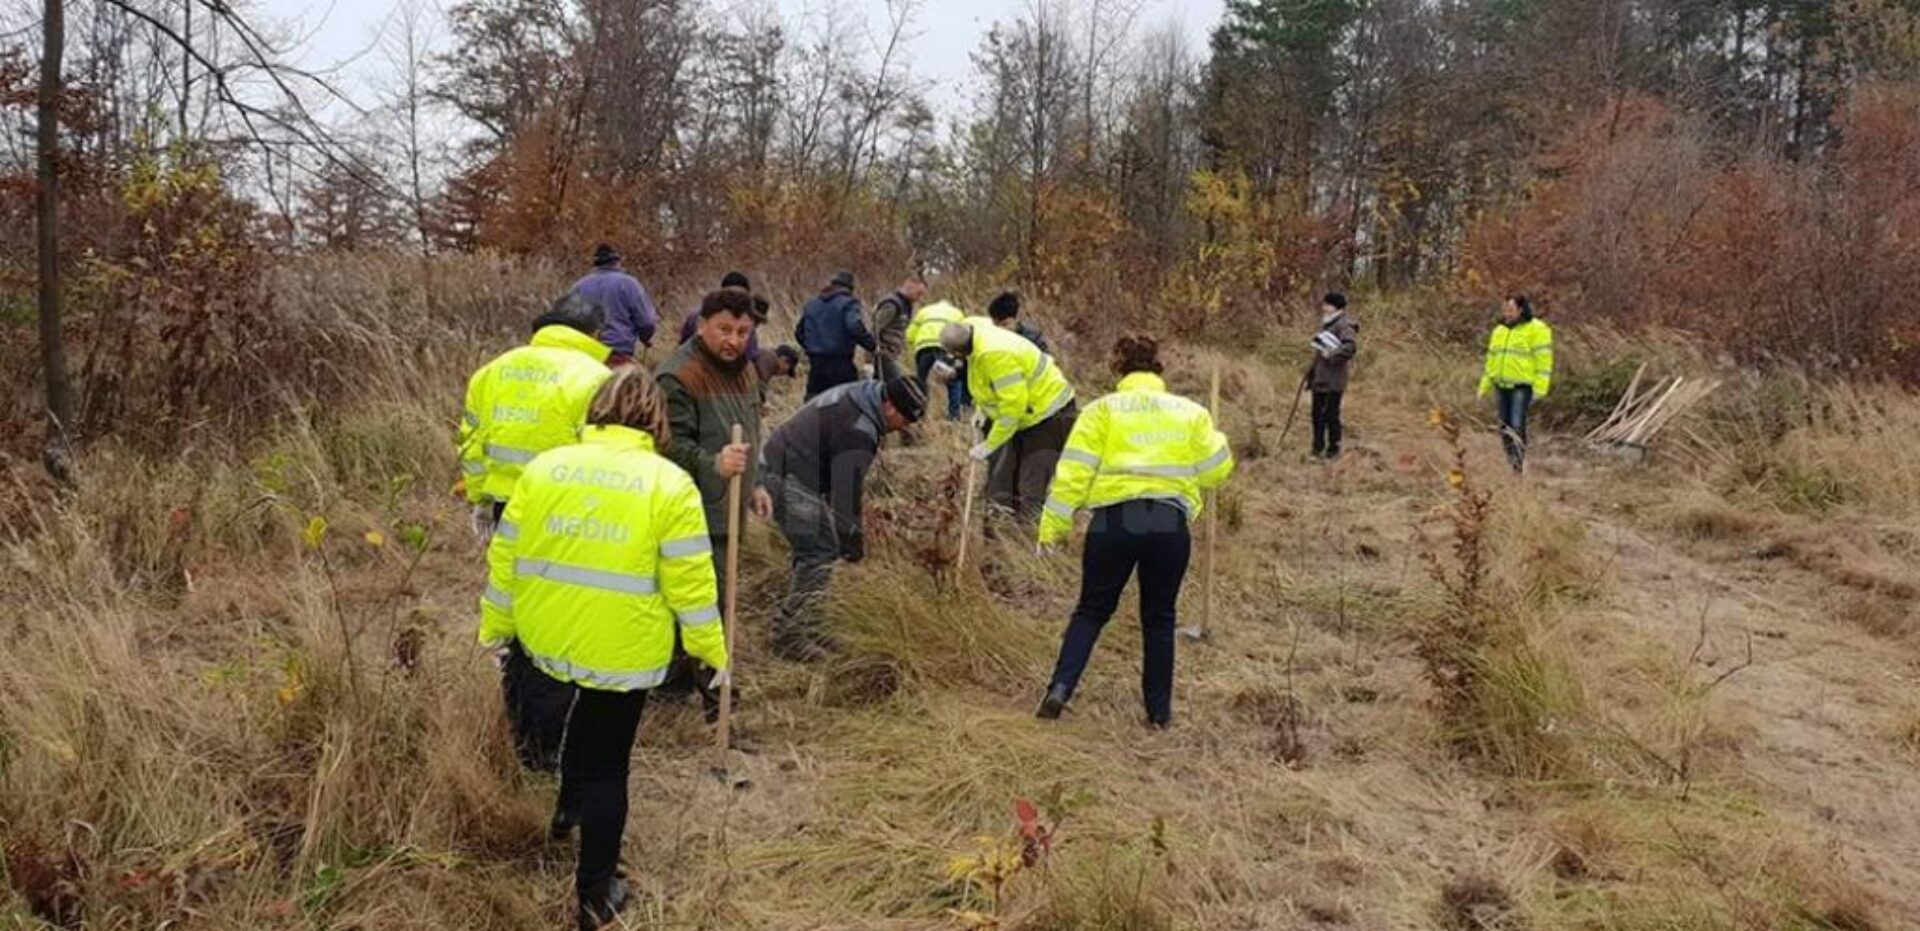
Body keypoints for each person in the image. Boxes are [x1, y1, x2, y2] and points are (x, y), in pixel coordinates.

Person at [476, 367, 729, 931]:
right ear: (656, 419)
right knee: (608, 765)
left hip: (548, 636)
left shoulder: (542, 470)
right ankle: (596, 893)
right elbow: (692, 588)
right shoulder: (670, 486)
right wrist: (711, 656)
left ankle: (567, 809)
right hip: (624, 649)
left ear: (594, 410)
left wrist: (497, 627)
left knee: (578, 729)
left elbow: (505, 559)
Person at [1034, 335, 1234, 728]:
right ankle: (1158, 714)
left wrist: (1052, 528)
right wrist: (1217, 439)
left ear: (1118, 370)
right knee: (1159, 618)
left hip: (1115, 521)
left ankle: (1059, 688)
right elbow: (1216, 470)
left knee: (1091, 610)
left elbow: (1073, 474)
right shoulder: (1190, 412)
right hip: (1167, 523)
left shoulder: (1100, 411)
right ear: (1158, 369)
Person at [458, 294, 613, 772]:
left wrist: (481, 500)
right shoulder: (594, 379)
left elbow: (472, 444)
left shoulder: (492, 372)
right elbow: (604, 460)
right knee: (559, 624)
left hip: (508, 511)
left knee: (516, 616)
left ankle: (519, 731)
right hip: (567, 519)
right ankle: (548, 746)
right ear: (593, 334)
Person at [655, 289, 771, 709]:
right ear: (702, 325)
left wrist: (756, 482)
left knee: (706, 600)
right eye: (724, 330)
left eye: (743, 332)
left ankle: (671, 684)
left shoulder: (746, 370)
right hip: (693, 512)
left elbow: (750, 430)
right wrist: (714, 465)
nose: (734, 340)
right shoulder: (678, 377)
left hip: (731, 505)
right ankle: (716, 697)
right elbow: (669, 447)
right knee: (708, 603)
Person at [759, 376, 928, 659]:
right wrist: (852, 544)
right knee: (819, 551)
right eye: (905, 419)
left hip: (787, 464)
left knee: (817, 549)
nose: (904, 427)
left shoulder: (862, 394)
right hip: (787, 476)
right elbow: (846, 495)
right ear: (889, 405)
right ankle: (790, 635)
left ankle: (810, 625)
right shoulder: (859, 430)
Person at [940, 316, 1077, 523]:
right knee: (1008, 474)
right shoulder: (972, 328)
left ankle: (1029, 535)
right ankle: (1005, 527)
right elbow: (987, 383)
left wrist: (989, 444)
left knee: (1031, 481)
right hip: (1030, 413)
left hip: (1051, 413)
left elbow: (1012, 410)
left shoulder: (996, 356)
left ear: (962, 351)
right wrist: (982, 409)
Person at [1477, 294, 1554, 473]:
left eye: (1511, 309)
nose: (1507, 313)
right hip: (1501, 385)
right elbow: (1492, 361)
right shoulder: (1499, 331)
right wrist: (1484, 385)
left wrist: (1540, 389)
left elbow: (1544, 362)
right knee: (1504, 427)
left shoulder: (1537, 329)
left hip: (1522, 386)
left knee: (1517, 425)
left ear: (1521, 309)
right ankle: (1510, 461)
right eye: (1505, 309)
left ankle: (1517, 466)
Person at [569, 243, 660, 366]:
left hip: (586, 356)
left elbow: (569, 322)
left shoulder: (578, 286)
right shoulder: (629, 284)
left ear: (595, 264)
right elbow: (647, 322)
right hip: (618, 355)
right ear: (617, 262)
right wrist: (645, 338)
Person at [795, 270, 876, 399]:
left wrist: (811, 347)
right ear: (850, 288)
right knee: (847, 400)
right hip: (840, 362)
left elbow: (799, 333)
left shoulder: (812, 304)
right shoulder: (849, 303)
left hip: (816, 364)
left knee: (814, 402)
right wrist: (871, 345)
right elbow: (854, 327)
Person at [1308, 292, 1359, 460]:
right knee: (1317, 415)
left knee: (1330, 416)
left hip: (1334, 380)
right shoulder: (1327, 324)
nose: (1324, 308)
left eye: (1327, 305)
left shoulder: (1344, 325)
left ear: (1336, 307)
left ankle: (1333, 450)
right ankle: (1317, 448)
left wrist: (1332, 354)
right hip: (1320, 379)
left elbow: (1350, 347)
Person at [678, 271, 764, 363]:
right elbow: (751, 358)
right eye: (724, 329)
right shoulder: (697, 316)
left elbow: (682, 347)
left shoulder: (745, 322)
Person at [907, 299, 969, 420]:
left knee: (920, 381)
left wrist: (915, 343)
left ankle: (919, 414)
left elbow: (910, 334)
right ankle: (954, 415)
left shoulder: (924, 311)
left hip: (924, 346)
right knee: (953, 381)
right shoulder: (957, 312)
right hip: (946, 345)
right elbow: (962, 335)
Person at [867, 273, 929, 380]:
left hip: (892, 354)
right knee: (899, 383)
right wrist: (868, 359)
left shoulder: (906, 305)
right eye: (918, 294)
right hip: (883, 354)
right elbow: (875, 330)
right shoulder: (892, 304)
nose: (919, 298)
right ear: (909, 285)